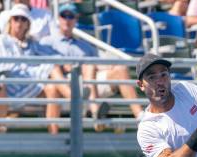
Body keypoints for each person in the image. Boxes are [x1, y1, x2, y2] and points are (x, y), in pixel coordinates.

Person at [40, 2, 143, 131]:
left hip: (88, 85)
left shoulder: (85, 45)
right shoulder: (47, 42)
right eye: (64, 15)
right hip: (64, 85)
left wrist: (111, 67)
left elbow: (99, 64)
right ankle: (95, 112)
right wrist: (66, 66)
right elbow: (45, 68)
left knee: (119, 69)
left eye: (70, 16)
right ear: (58, 18)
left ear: (76, 19)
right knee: (85, 66)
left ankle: (140, 117)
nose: (67, 19)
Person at [0, 4, 70, 134]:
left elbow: (52, 54)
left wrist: (65, 63)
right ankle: (75, 96)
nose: (19, 22)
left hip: (29, 82)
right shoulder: (1, 40)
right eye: (16, 19)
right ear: (10, 22)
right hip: (10, 83)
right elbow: (4, 65)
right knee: (52, 68)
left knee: (52, 87)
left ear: (27, 24)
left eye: (23, 19)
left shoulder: (32, 43)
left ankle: (54, 133)